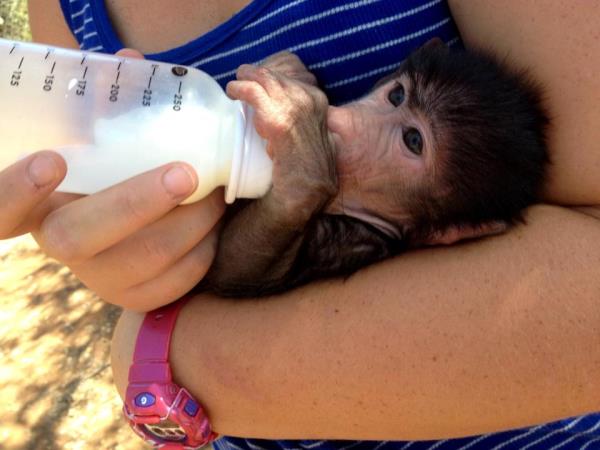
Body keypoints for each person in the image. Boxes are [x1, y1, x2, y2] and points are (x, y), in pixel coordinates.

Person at [4, 0, 598, 448]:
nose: (344, 124)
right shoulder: (69, 11)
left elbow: (237, 282)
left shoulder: (376, 233)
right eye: (393, 98)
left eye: (411, 141)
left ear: (452, 232)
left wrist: (297, 194)